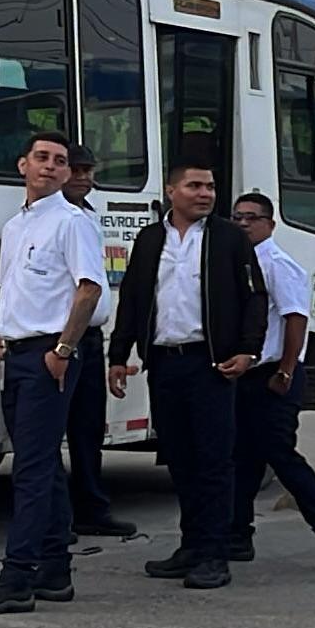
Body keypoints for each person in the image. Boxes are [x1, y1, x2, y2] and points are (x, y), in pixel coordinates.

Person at [0, 132, 105, 617]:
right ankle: (55, 569)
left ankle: (18, 576)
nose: (50, 167)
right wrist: (3, 336)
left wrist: (64, 347)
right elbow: (13, 288)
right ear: (22, 164)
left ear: (68, 173)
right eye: (41, 158)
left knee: (31, 469)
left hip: (51, 352)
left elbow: (89, 290)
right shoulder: (16, 225)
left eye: (60, 161)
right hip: (18, 352)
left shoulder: (72, 223)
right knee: (37, 463)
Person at [107, 159, 265, 591]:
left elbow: (255, 298)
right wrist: (118, 354)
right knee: (179, 460)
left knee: (213, 461)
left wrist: (248, 350)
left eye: (211, 186)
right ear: (172, 191)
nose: (205, 193)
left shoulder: (229, 239)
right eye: (195, 185)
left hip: (211, 364)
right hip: (164, 362)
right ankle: (191, 545)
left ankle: (215, 553)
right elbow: (134, 299)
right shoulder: (150, 239)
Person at [227, 190, 315, 571]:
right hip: (246, 374)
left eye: (253, 218)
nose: (245, 224)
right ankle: (237, 535)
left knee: (280, 454)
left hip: (275, 374)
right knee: (243, 458)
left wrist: (286, 369)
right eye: (238, 218)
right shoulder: (242, 263)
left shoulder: (278, 264)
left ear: (270, 224)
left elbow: (296, 318)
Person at [58, 148, 139, 544]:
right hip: (62, 337)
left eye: (90, 170)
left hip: (91, 335)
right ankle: (58, 515)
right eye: (78, 170)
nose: (85, 177)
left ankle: (92, 508)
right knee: (51, 428)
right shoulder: (50, 216)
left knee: (88, 428)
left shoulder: (89, 213)